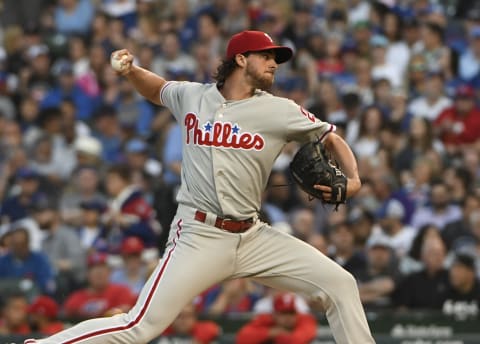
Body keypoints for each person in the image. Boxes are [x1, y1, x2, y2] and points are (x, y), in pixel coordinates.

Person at [25, 30, 374, 344]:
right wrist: (131, 72)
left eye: (275, 59)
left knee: (340, 285)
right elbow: (158, 88)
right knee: (140, 325)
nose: (273, 64)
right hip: (199, 234)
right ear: (241, 59)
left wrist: (354, 179)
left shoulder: (280, 110)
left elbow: (331, 137)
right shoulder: (193, 96)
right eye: (266, 56)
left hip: (254, 236)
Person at [235, 292, 318, 344]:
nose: (288, 317)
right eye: (283, 313)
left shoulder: (305, 319)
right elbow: (242, 338)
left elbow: (298, 340)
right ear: (274, 314)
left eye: (291, 313)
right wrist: (270, 332)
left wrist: (280, 335)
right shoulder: (266, 319)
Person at [153, 301, 220, 344]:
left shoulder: (204, 329)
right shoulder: (161, 330)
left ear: (195, 317)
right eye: (179, 316)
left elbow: (213, 329)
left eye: (188, 315)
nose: (183, 320)